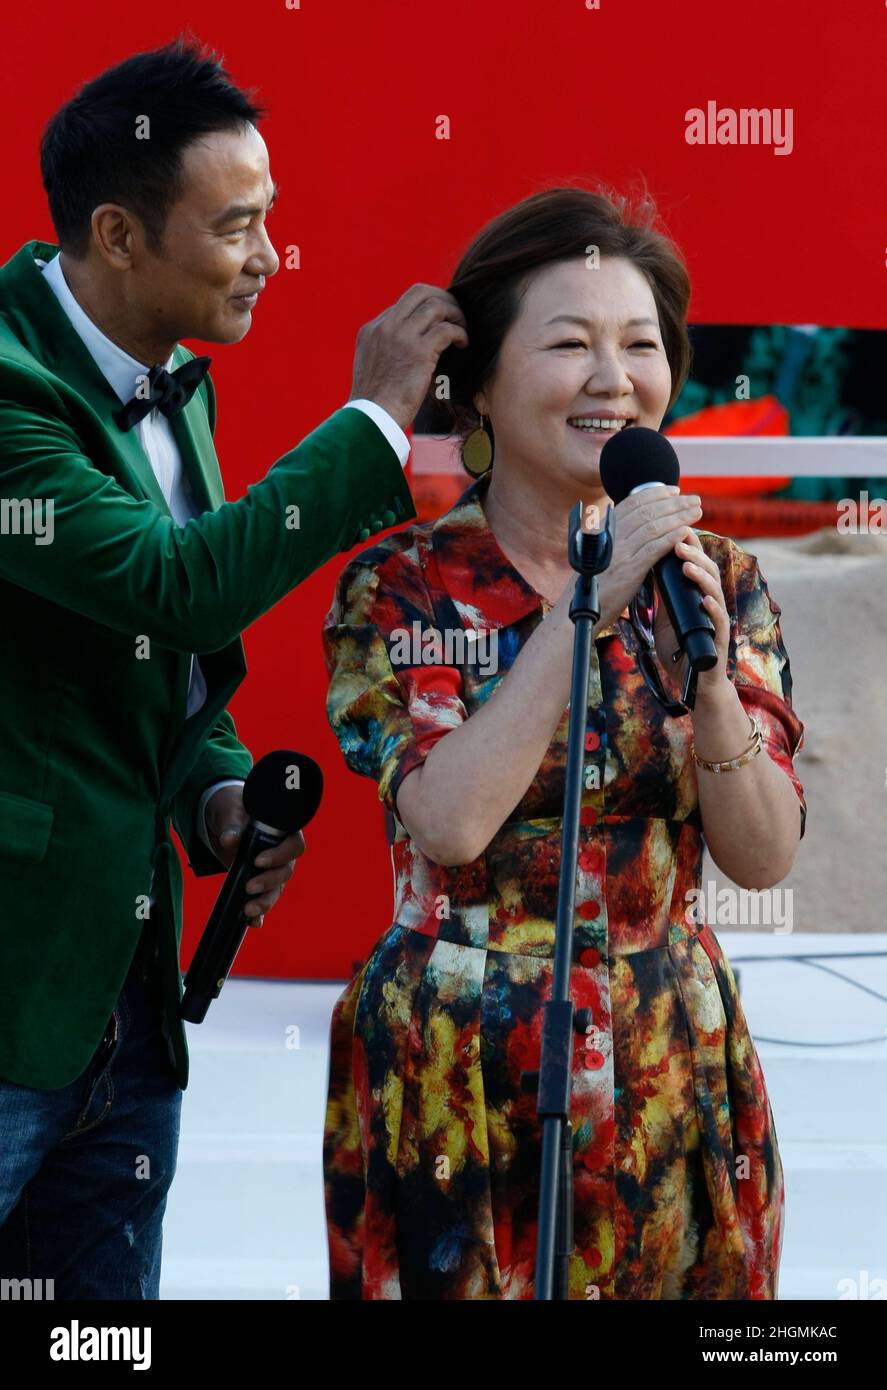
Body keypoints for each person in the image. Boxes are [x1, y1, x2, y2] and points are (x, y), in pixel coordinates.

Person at [0, 35, 466, 1298]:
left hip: (128, 1022)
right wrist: (373, 419)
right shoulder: (6, 398)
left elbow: (157, 647)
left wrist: (215, 792)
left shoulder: (169, 381)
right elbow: (175, 583)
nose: (269, 258)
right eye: (238, 227)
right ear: (118, 234)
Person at [321, 185, 806, 1300]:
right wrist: (587, 604)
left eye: (639, 345)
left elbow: (763, 853)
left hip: (668, 1051)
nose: (612, 378)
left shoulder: (719, 580)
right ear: (483, 381)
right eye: (568, 344)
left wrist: (708, 679)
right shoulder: (400, 583)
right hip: (457, 1057)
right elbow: (446, 819)